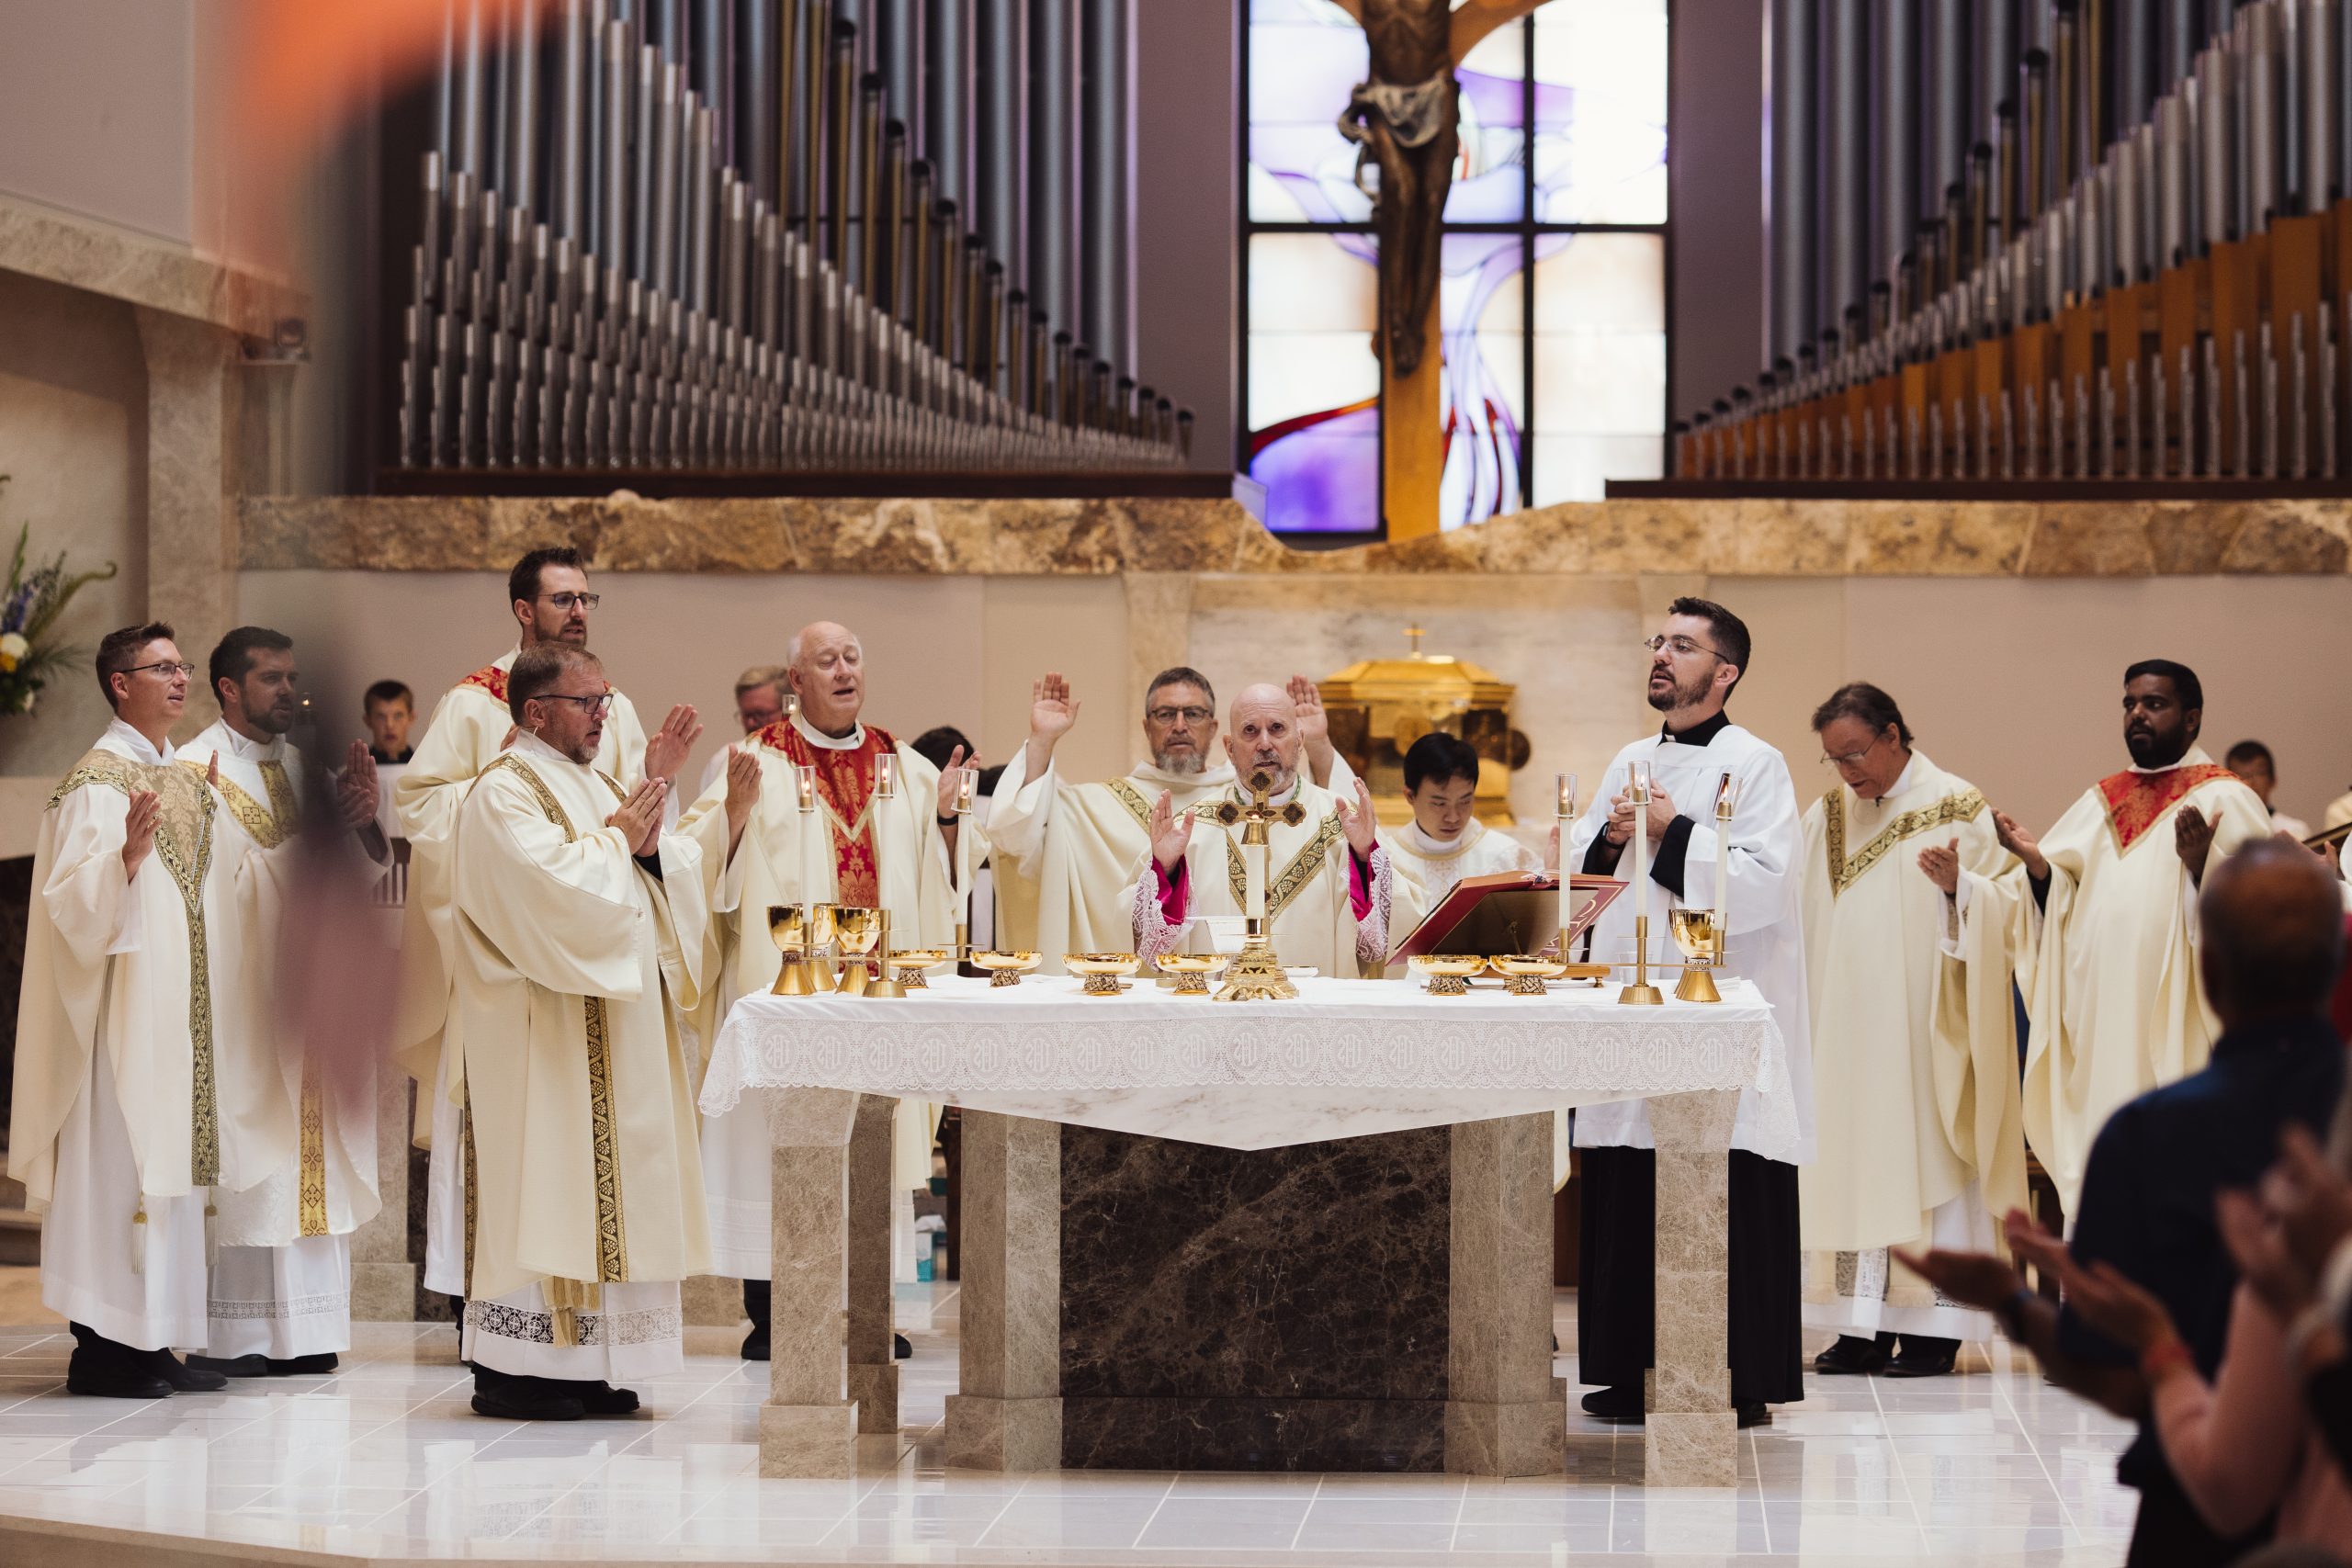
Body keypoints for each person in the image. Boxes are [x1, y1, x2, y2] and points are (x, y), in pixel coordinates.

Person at [1900, 839, 2348, 1568]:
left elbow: (2111, 1373)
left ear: (2208, 968)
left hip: (2193, 1514)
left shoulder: (2148, 1136)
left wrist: (2012, 1300)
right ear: (2339, 959)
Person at [391, 547, 700, 1324]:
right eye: (564, 598)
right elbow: (441, 815)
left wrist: (655, 806)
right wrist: (533, 826)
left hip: (599, 979)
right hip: (519, 973)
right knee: (528, 1160)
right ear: (525, 610)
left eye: (588, 597)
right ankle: (519, 1341)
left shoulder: (604, 715)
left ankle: (593, 1345)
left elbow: (630, 828)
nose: (580, 610)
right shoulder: (475, 710)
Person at [448, 644, 747, 1420]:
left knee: (611, 1192)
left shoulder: (603, 785)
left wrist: (653, 844)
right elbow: (549, 893)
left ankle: (592, 1364)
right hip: (541, 1036)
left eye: (604, 701)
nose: (601, 716)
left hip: (616, 1030)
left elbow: (658, 867)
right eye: (585, 703)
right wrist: (620, 842)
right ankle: (519, 1370)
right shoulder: (502, 792)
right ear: (535, 710)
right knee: (546, 1183)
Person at [9, 624, 283, 1398]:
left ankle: (156, 1342)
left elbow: (223, 889)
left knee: (175, 1179)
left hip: (183, 1023)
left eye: (181, 665)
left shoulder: (188, 780)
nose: (179, 677)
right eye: (161, 667)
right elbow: (65, 908)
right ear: (120, 683)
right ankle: (101, 1350)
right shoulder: (94, 782)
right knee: (121, 1176)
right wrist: (121, 865)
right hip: (119, 1025)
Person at [677, 620, 962, 1359]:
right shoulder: (751, 761)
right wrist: (733, 816)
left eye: (852, 658)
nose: (843, 671)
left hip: (875, 995)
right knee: (780, 1143)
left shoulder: (903, 763)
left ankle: (867, 1311)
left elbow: (940, 874)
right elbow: (696, 863)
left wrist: (948, 818)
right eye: (826, 661)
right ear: (795, 681)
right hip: (789, 994)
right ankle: (775, 1315)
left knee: (872, 1140)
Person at [1563, 597, 1812, 1428]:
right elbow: (1581, 876)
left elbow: (1766, 886)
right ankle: (1627, 1368)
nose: (1662, 656)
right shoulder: (1629, 758)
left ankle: (1735, 1375)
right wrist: (1609, 839)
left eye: (1683, 645)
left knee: (1723, 1173)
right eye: (1658, 642)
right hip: (1631, 1006)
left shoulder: (1759, 763)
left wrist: (1673, 831)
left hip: (1714, 1009)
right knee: (1628, 1167)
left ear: (1725, 671)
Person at [1951, 660, 2270, 1217]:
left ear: (2192, 718)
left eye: (2154, 704)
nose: (2137, 714)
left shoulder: (2228, 798)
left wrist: (2205, 866)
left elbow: (2260, 917)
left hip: (2178, 1024)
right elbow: (2061, 902)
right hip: (2101, 1026)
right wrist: (2039, 870)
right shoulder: (2102, 800)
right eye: (2129, 704)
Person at [178, 628, 387, 1377]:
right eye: (271, 678)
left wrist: (362, 821)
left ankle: (309, 1331)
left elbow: (354, 880)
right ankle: (239, 1335)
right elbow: (203, 894)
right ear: (228, 687)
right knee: (255, 1165)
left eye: (293, 677)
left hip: (304, 1001)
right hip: (241, 1006)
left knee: (310, 1163)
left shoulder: (305, 768)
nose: (289, 691)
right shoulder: (191, 771)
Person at [1799, 682, 2023, 1380]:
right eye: (1834, 759)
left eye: (1855, 754)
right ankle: (1859, 1324)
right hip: (1846, 1029)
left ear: (1893, 735)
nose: (1846, 772)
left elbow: (2010, 905)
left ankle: (1933, 1329)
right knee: (1853, 1159)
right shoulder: (1828, 816)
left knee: (1926, 1153)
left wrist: (1961, 890)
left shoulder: (1956, 804)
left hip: (1926, 1030)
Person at [988, 670, 1350, 970]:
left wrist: (1318, 747)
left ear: (1213, 729)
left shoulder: (1252, 794)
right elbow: (1018, 834)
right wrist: (1042, 742)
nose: (1179, 725)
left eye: (1193, 714)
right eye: (1165, 715)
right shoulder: (1093, 807)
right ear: (1146, 727)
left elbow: (1330, 819)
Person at [1125, 682, 1408, 977]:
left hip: (1314, 1004)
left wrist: (1363, 858)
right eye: (1250, 731)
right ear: (1230, 748)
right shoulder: (1192, 828)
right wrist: (1168, 870)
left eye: (1277, 729)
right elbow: (1148, 947)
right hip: (1218, 1004)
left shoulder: (1342, 822)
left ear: (1299, 739)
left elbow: (1380, 941)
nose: (1264, 743)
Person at [1378, 731, 1540, 905]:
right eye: (1439, 804)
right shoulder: (1388, 862)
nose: (1453, 817)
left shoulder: (1507, 857)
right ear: (1410, 796)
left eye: (1465, 801)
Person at [696, 664, 789, 797]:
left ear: (788, 710)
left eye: (760, 714)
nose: (751, 723)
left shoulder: (805, 758)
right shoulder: (723, 761)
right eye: (746, 715)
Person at [360, 680, 415, 849]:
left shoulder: (427, 775)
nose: (390, 725)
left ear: (411, 718)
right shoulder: (354, 777)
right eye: (381, 716)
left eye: (398, 716)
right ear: (368, 720)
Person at [2228, 739, 2314, 842]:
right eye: (2240, 775)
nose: (2250, 781)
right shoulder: (2224, 830)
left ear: (2273, 780)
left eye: (2259, 773)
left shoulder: (2295, 830)